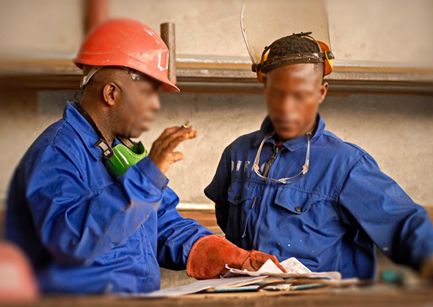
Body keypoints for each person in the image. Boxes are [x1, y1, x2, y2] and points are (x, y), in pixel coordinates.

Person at [6, 19, 283, 294]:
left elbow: (163, 224)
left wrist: (230, 258)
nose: (154, 105)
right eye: (148, 93)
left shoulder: (119, 152)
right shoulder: (57, 152)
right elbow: (71, 241)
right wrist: (148, 177)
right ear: (111, 93)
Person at [205, 33, 433, 285]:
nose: (285, 107)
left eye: (299, 96)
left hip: (318, 301)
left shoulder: (345, 164)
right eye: (277, 94)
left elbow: (400, 220)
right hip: (247, 297)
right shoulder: (238, 153)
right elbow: (226, 218)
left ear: (321, 92)